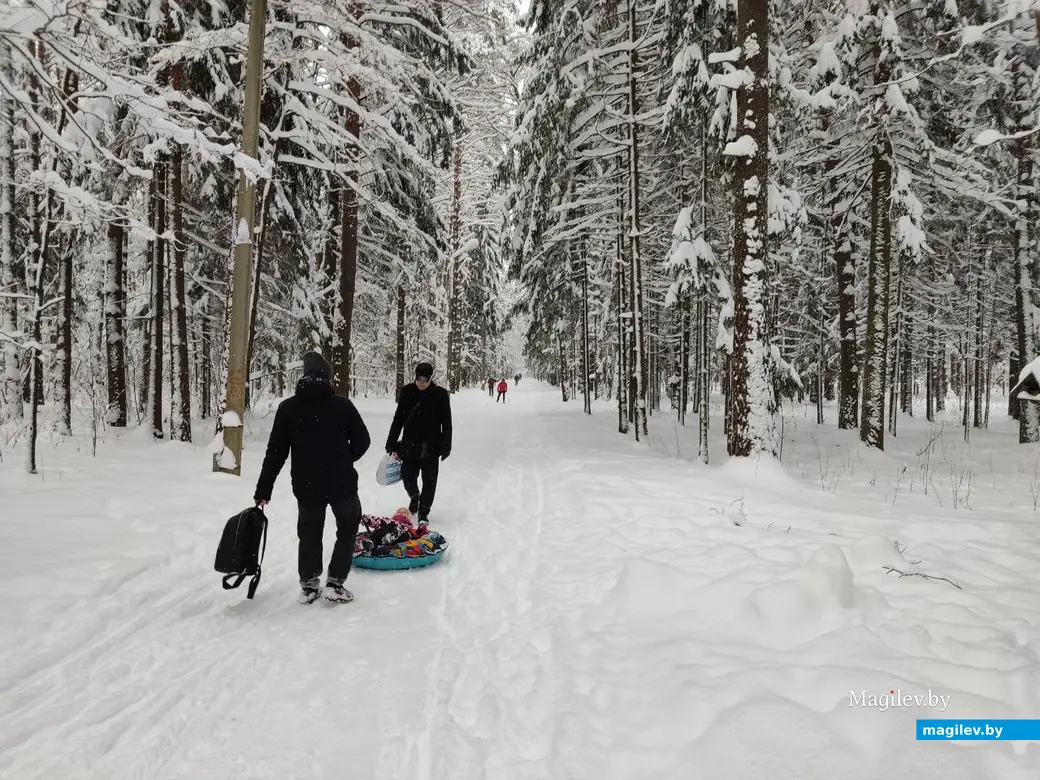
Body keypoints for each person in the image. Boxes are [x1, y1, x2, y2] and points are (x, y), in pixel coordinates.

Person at [253, 352, 371, 605]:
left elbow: (275, 452)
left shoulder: (288, 408)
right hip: (342, 483)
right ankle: (335, 583)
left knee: (309, 533)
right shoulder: (342, 405)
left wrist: (264, 489)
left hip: (307, 485)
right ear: (327, 378)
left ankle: (309, 585)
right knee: (347, 529)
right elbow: (363, 441)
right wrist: (345, 458)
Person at [385, 362, 452, 525]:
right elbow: (398, 419)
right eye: (419, 378)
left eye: (425, 379)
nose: (422, 382)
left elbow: (447, 422)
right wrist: (391, 441)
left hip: (431, 447)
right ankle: (415, 496)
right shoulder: (407, 392)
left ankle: (424, 512)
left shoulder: (440, 394)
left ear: (430, 378)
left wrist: (446, 446)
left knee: (429, 481)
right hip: (410, 446)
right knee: (407, 477)